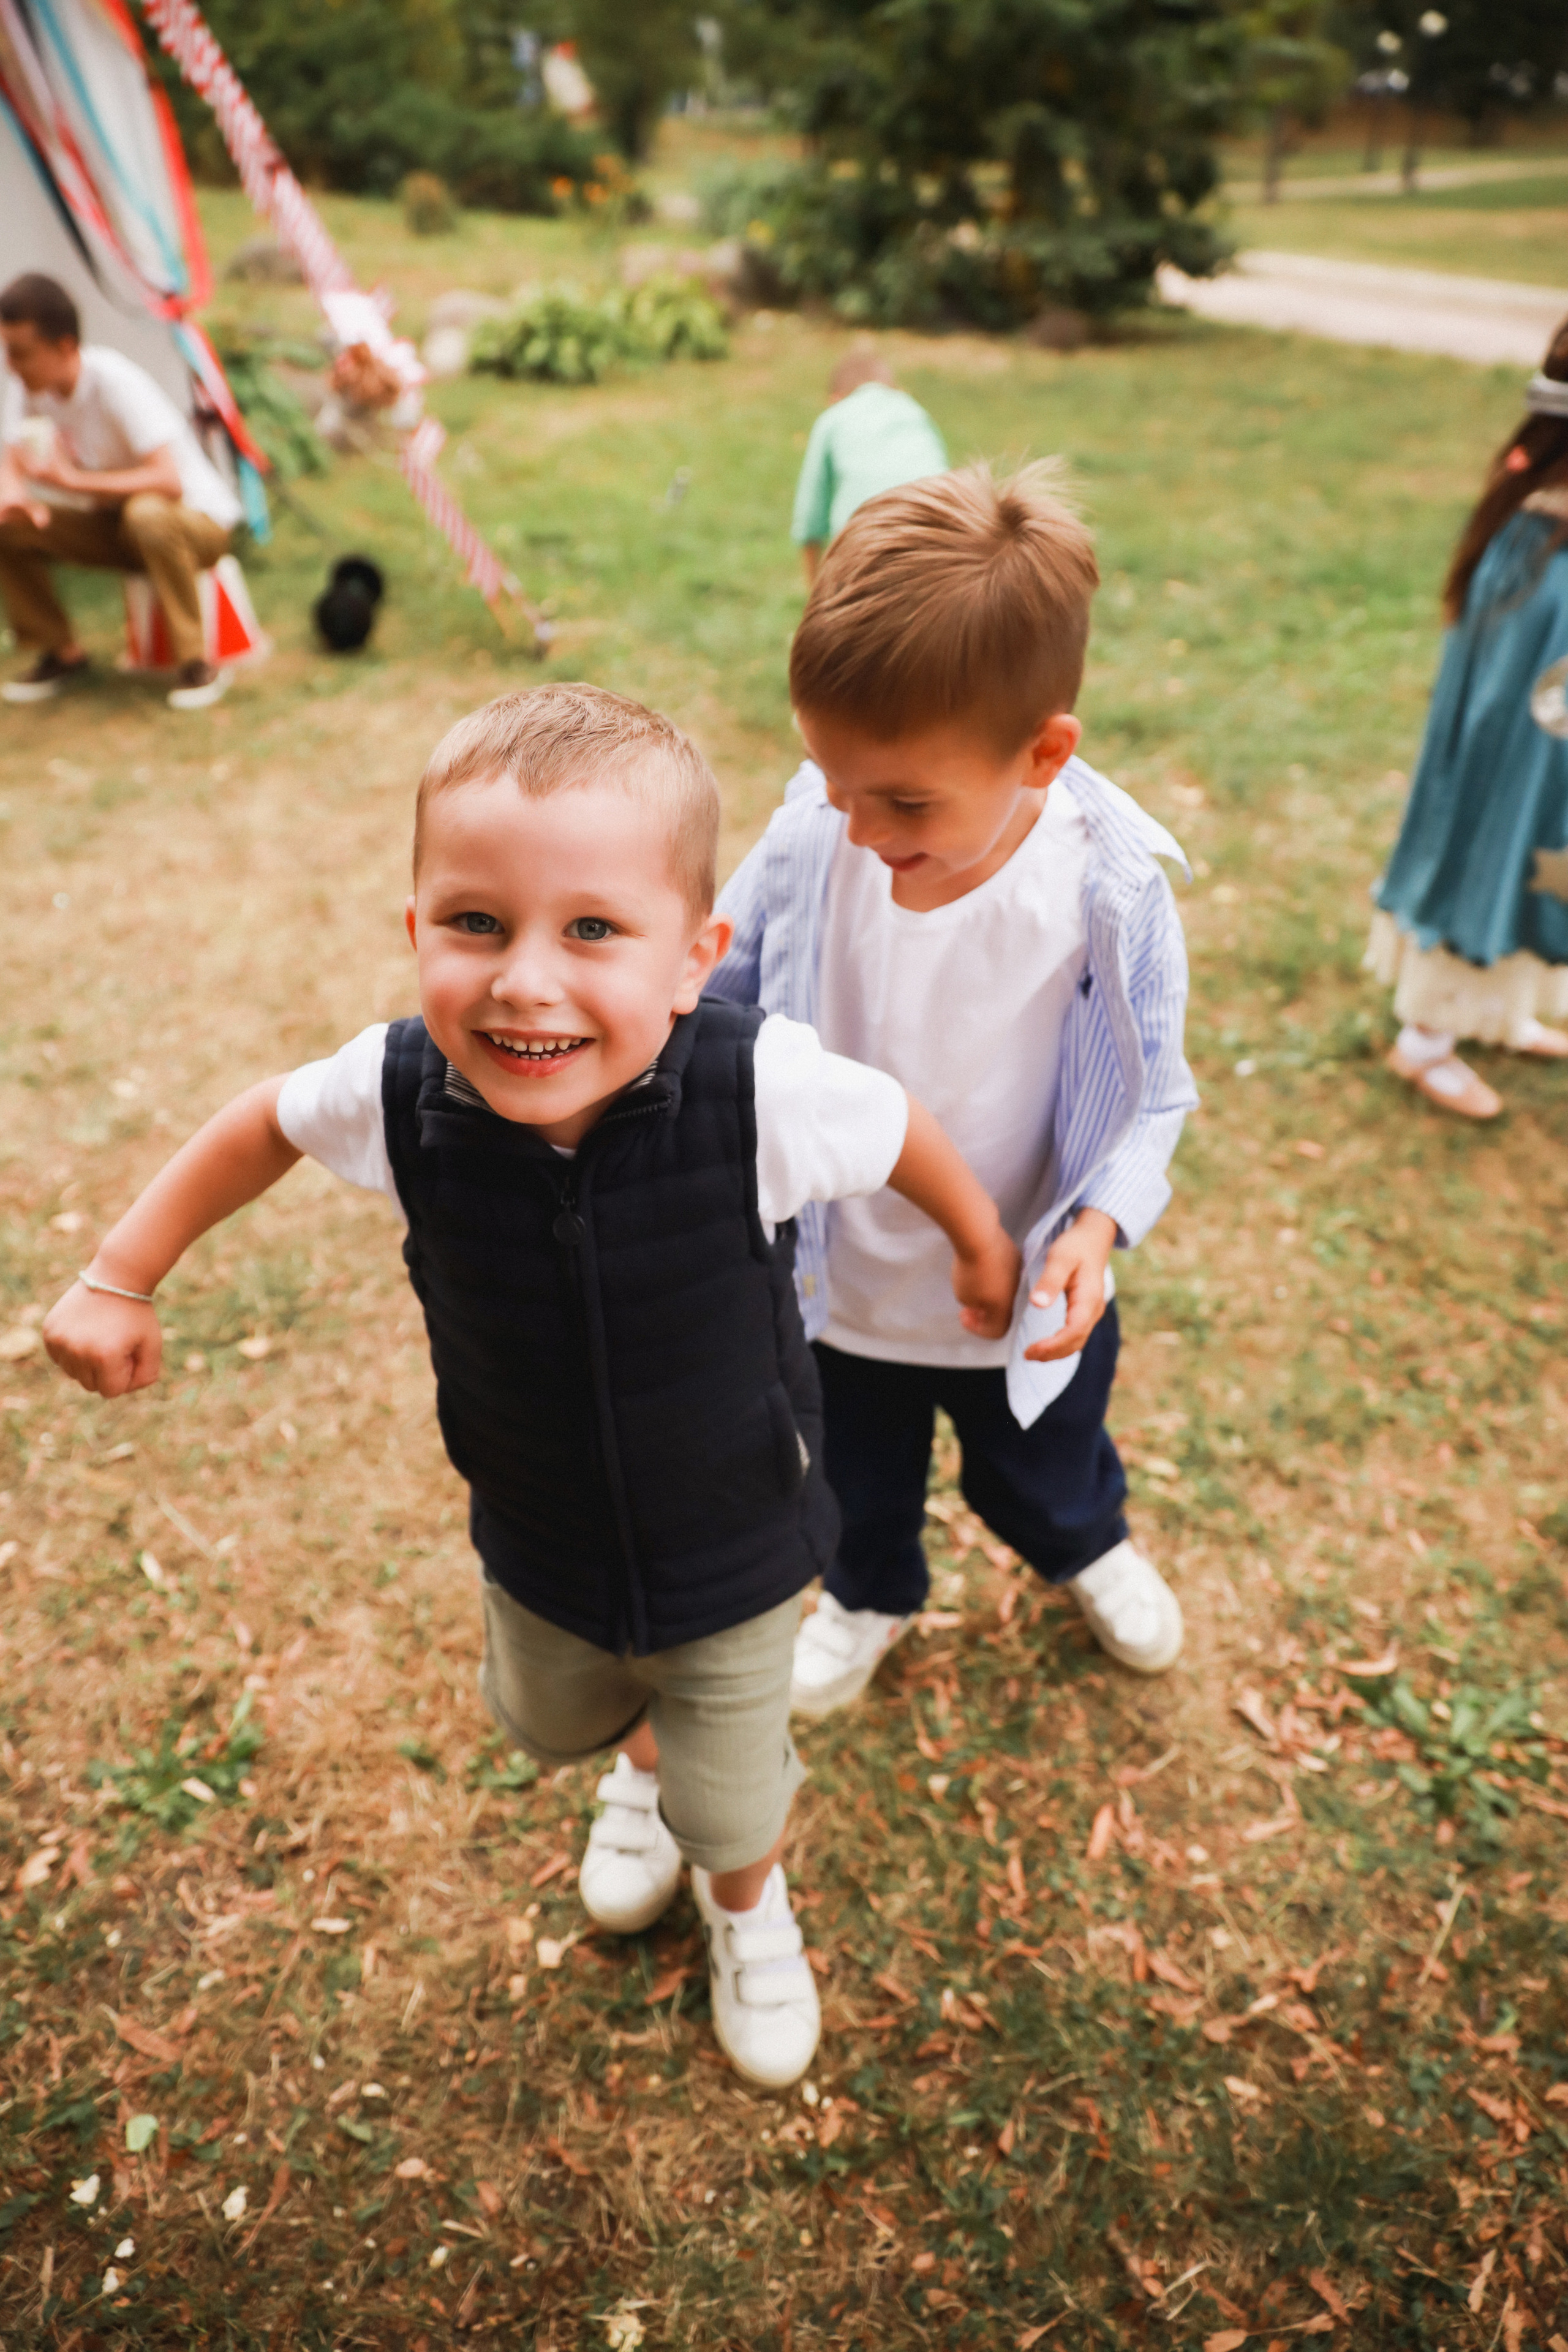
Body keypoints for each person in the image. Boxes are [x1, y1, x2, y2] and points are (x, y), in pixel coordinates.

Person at [42, 683, 1022, 2090]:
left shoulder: (761, 1092)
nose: (524, 980)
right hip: (538, 1534)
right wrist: (122, 1271)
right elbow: (261, 1122)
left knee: (731, 1795)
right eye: (477, 922)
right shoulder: (398, 1094)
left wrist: (978, 1241)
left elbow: (899, 1131)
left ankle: (746, 1906)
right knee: (554, 1715)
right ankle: (636, 1765)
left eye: (593, 931)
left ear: (693, 960)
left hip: (734, 1541)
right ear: (415, 931)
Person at [708, 462, 1197, 1718]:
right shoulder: (811, 841)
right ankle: (865, 1593)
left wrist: (1096, 1227)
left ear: (1043, 753)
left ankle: (1088, 1544)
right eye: (832, 780)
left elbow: (1152, 1095)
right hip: (837, 1282)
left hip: (1021, 1284)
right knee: (850, 1473)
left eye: (905, 800)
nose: (860, 828)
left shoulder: (1110, 891)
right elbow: (704, 997)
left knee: (1046, 1462)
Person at [1368, 320, 1568, 1118]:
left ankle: (1503, 1011)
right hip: (1509, 767)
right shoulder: (1536, 551)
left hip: (1548, 769)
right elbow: (1504, 703)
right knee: (1487, 868)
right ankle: (1425, 1040)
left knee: (1536, 878)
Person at [0, 273, 241, 712]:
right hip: (120, 527)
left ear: (65, 346)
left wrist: (72, 482)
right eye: (6, 352)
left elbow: (168, 481)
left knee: (146, 512)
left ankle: (197, 663)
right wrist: (14, 499)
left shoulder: (114, 380)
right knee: (8, 526)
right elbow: (10, 460)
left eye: (20, 353)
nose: (10, 365)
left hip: (196, 523)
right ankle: (62, 653)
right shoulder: (29, 388)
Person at [791, 344, 947, 588]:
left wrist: (815, 596)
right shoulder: (915, 412)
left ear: (834, 399)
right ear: (896, 389)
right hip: (936, 540)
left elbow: (810, 520)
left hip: (862, 547)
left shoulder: (834, 418)